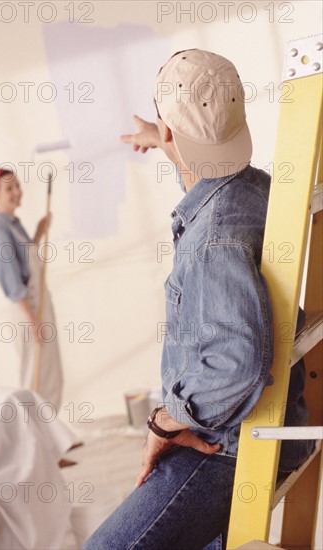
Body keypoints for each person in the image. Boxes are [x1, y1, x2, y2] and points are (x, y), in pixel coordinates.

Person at [83, 49, 314, 549]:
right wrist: (162, 138)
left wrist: (165, 422)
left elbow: (235, 362)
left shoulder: (212, 240)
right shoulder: (256, 189)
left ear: (169, 134)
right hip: (280, 417)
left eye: (166, 131)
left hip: (228, 443)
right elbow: (205, 175)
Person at [0, 169, 63, 410]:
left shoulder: (14, 225)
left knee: (48, 369)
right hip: (28, 310)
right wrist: (33, 321)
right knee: (35, 370)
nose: (17, 192)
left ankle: (50, 431)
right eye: (8, 189)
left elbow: (25, 262)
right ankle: (33, 432)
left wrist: (39, 232)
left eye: (17, 186)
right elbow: (13, 281)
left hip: (37, 306)